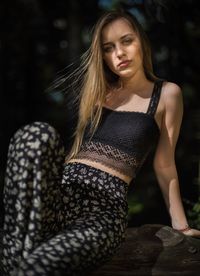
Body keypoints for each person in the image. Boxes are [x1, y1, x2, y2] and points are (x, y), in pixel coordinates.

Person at [2, 10, 200, 276]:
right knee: (36, 134)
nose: (119, 53)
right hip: (57, 197)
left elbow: (164, 164)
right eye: (109, 48)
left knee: (35, 266)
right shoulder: (98, 92)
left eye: (126, 41)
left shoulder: (166, 94)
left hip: (101, 212)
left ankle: (20, 265)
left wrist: (181, 225)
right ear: (103, 56)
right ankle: (19, 262)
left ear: (141, 41)